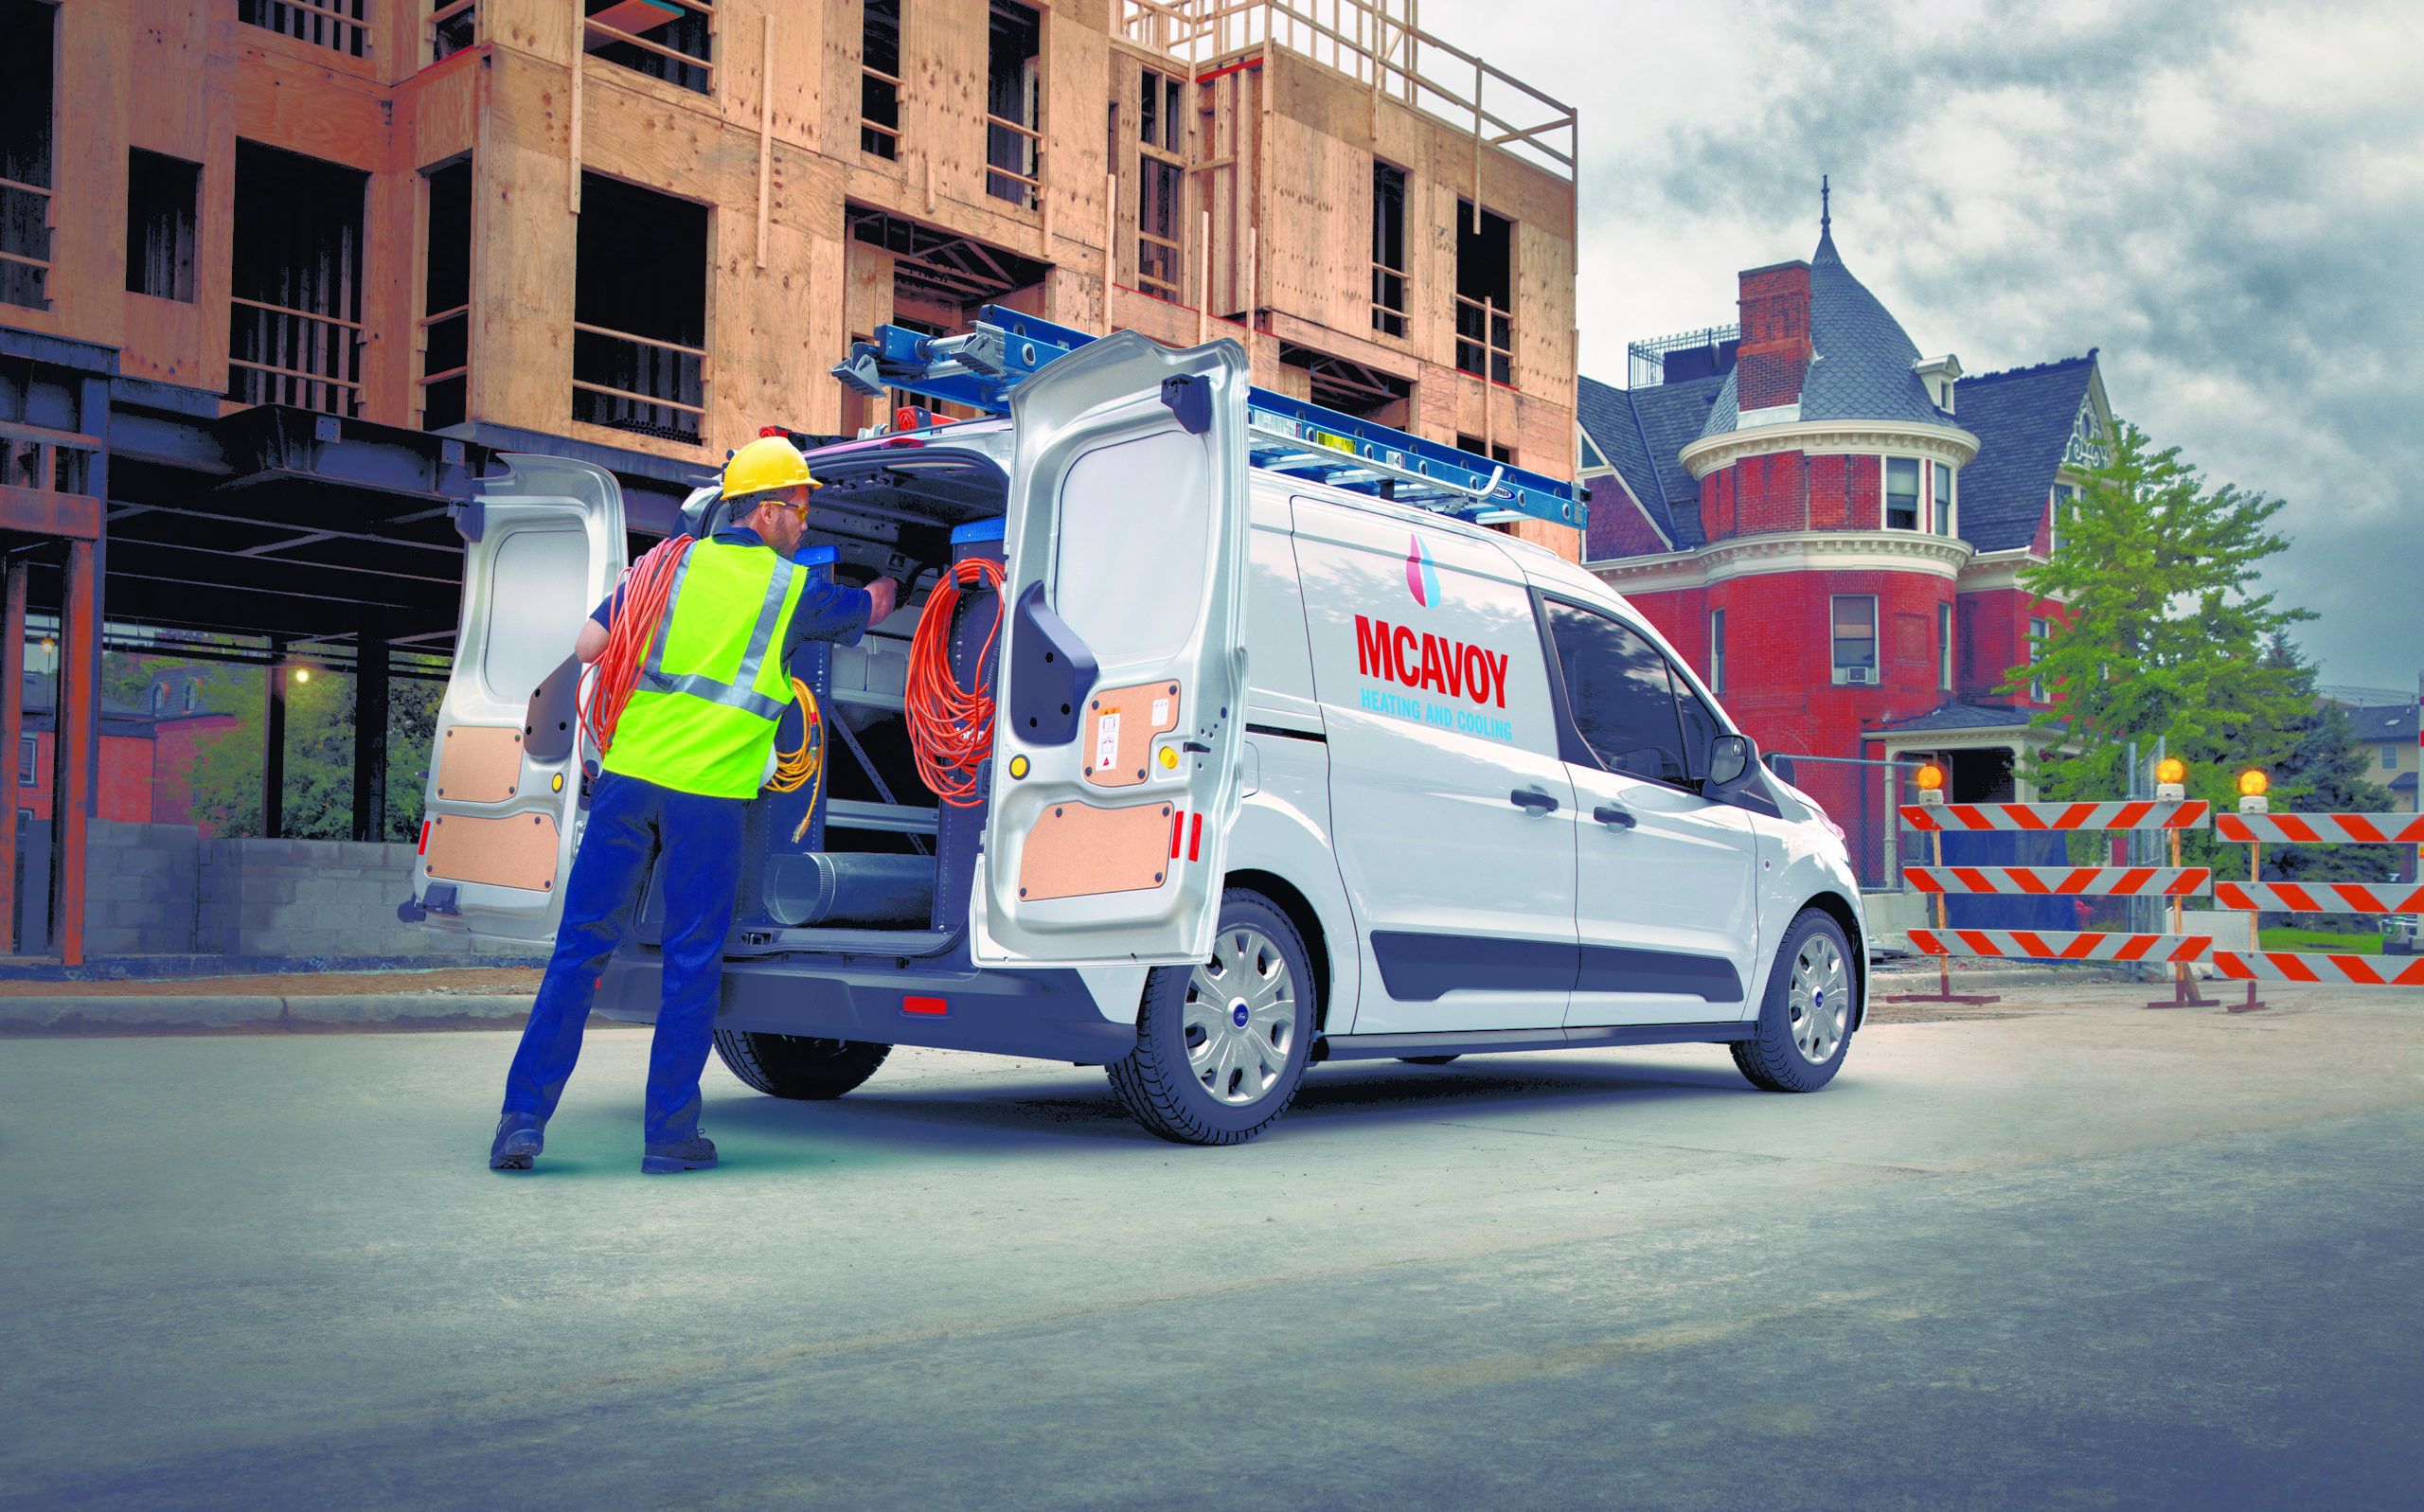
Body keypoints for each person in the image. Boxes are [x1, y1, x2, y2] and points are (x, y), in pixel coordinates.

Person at [489, 437, 898, 1174]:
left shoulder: (666, 567)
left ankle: (520, 1121)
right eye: (801, 506)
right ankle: (669, 1137)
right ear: (767, 511)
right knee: (691, 961)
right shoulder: (790, 589)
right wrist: (894, 582)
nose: (806, 522)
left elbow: (588, 644)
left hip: (629, 778)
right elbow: (864, 611)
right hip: (707, 799)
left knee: (580, 951)